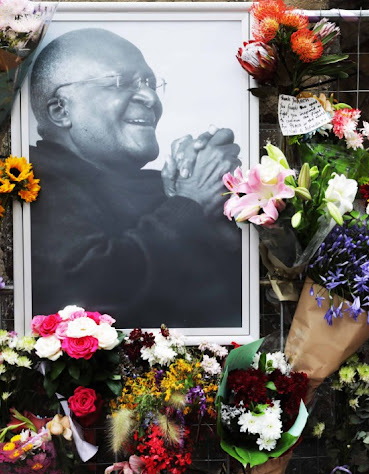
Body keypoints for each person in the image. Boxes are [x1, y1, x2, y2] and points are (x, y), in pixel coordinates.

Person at [28, 28, 243, 328]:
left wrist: (219, 211)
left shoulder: (158, 188)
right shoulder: (32, 182)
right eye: (121, 82)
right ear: (61, 110)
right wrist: (189, 204)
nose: (150, 98)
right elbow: (84, 290)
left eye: (151, 84)